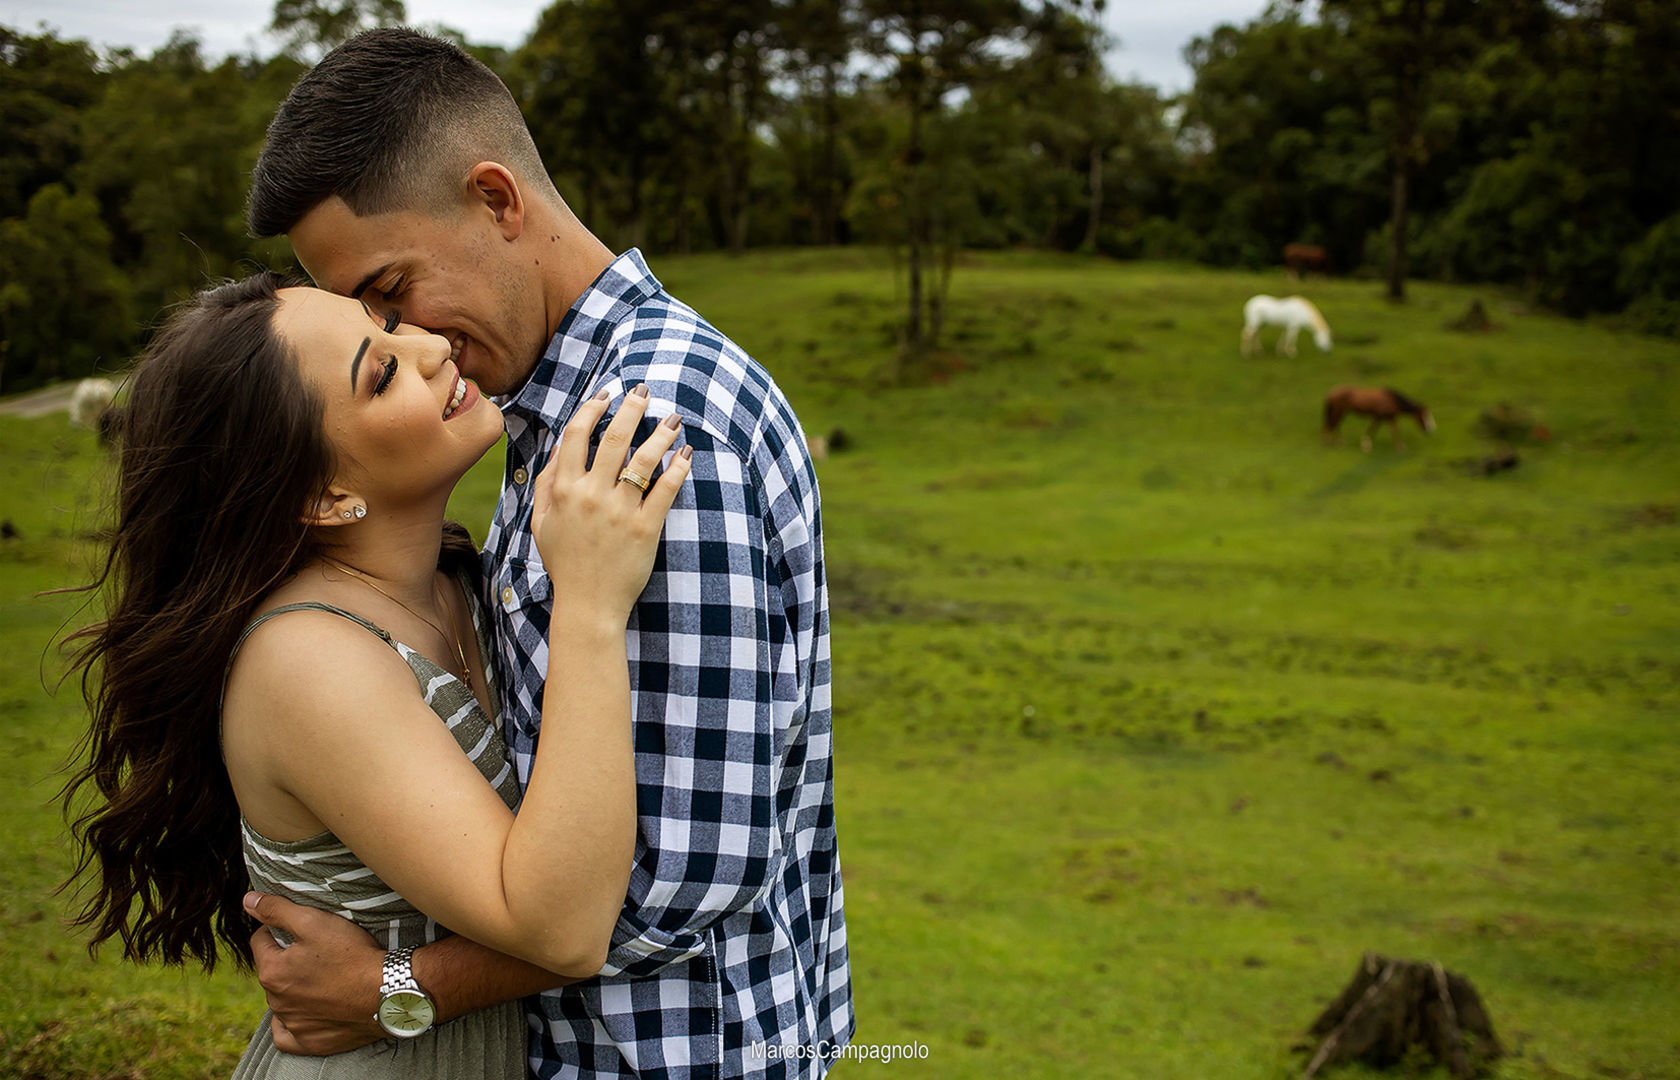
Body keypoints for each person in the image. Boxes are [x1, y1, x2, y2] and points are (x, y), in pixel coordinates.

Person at [239, 27, 852, 1079]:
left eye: (393, 292)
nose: (412, 341)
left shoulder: (648, 423)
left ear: (498, 199)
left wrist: (396, 990)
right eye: (371, 326)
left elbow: (669, 882)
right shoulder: (554, 418)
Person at [62, 271, 693, 1077]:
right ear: (324, 495)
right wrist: (593, 605)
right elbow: (563, 927)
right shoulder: (308, 662)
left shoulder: (454, 582)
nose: (432, 346)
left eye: (391, 322)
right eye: (383, 371)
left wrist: (394, 985)